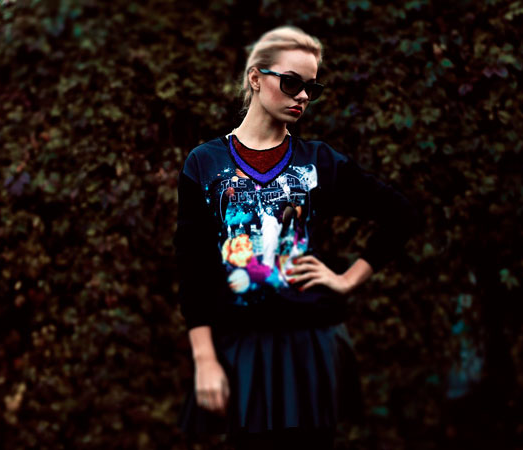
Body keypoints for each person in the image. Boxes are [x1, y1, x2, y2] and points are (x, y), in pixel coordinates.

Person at [174, 25, 423, 449]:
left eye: (312, 88)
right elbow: (192, 268)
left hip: (310, 348)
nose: (303, 96)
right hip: (241, 350)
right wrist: (204, 358)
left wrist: (347, 280)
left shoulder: (320, 162)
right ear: (256, 78)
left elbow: (402, 215)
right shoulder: (205, 163)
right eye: (291, 83)